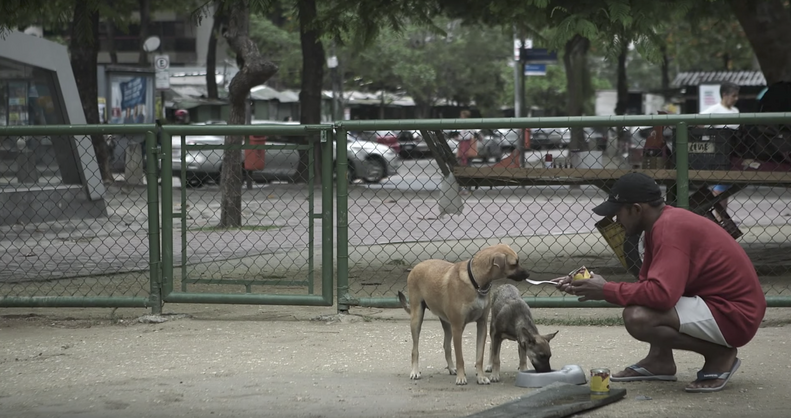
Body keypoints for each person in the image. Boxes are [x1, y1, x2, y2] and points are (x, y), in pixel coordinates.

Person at [553, 172, 766, 393]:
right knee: (643, 302)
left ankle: (720, 355)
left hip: (735, 315)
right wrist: (595, 284)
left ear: (636, 209)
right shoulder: (661, 224)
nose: (616, 221)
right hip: (719, 306)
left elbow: (662, 295)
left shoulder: (670, 228)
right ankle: (659, 361)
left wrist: (605, 289)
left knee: (638, 317)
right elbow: (648, 286)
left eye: (618, 213)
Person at [700, 82, 740, 216]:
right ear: (725, 95)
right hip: (719, 152)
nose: (736, 99)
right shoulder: (714, 110)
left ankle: (720, 215)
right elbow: (698, 121)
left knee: (726, 185)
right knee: (723, 183)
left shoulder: (735, 111)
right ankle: (710, 207)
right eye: (734, 95)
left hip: (734, 151)